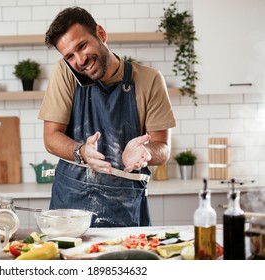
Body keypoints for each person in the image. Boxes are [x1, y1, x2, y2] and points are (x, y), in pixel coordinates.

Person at [38, 6, 176, 227]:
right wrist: (81, 151)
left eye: (82, 46)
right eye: (69, 56)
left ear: (101, 34)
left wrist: (144, 152)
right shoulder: (65, 73)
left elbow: (163, 148)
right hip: (70, 213)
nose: (79, 60)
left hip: (127, 212)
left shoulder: (149, 80)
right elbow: (51, 137)